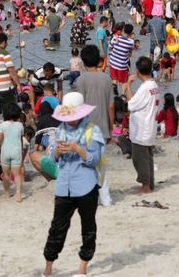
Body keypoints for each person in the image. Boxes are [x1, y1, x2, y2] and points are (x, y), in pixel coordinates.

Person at [42, 92, 104, 277]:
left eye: (74, 117)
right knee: (57, 228)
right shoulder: (59, 130)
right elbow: (51, 157)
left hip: (86, 185)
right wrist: (58, 152)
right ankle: (48, 270)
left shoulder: (92, 130)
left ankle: (82, 269)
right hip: (64, 186)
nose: (71, 121)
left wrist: (78, 149)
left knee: (88, 227)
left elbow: (95, 159)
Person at [122, 56, 159, 194]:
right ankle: (150, 183)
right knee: (147, 156)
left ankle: (146, 186)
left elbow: (131, 104)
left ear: (138, 71)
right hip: (149, 126)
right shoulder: (154, 85)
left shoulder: (145, 88)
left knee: (140, 158)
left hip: (142, 128)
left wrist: (128, 85)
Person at [0, 104, 25, 202]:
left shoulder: (2, 125)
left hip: (5, 151)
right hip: (17, 151)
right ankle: (18, 194)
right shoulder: (20, 125)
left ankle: (7, 193)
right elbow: (20, 140)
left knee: (6, 174)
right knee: (17, 174)